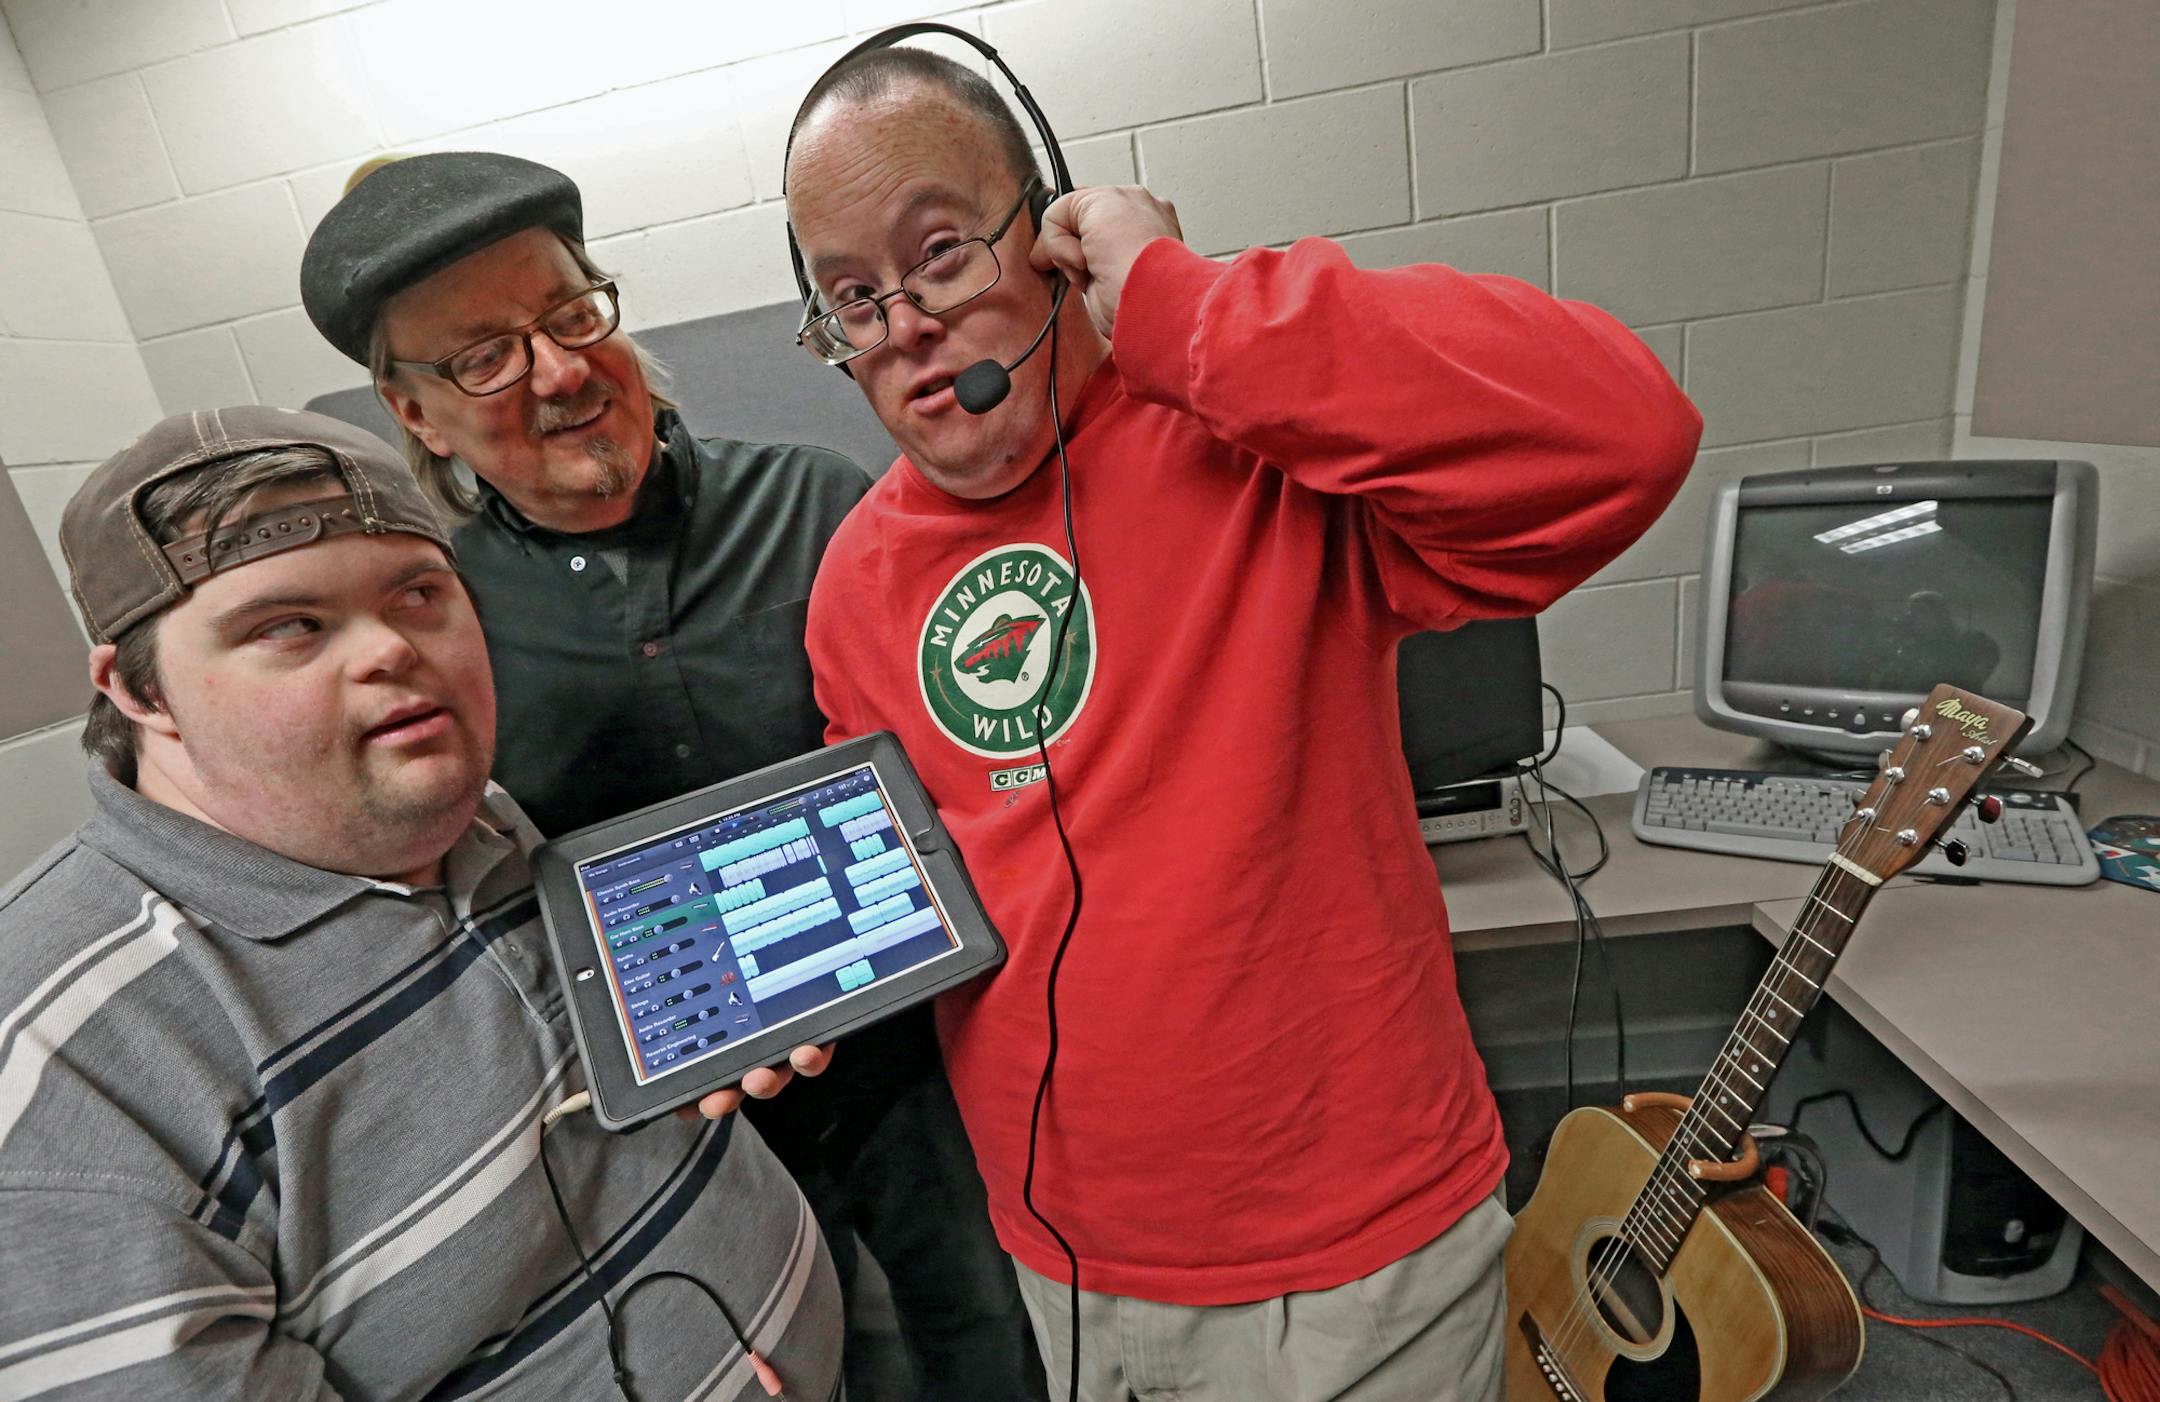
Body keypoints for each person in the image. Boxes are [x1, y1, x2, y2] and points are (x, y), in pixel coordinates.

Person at [782, 46, 1703, 1401]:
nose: (906, 319)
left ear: (1048, 240)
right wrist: (800, 987)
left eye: (941, 253)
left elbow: (1627, 435)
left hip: (1360, 1256)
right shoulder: (856, 582)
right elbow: (919, 887)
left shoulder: (1253, 441)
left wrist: (1181, 302)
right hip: (1070, 1256)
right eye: (853, 295)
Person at [298, 152, 1038, 1399]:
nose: (557, 371)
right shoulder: (444, 624)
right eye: (482, 355)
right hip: (672, 1143)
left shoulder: (825, 508)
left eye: (572, 314)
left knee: (995, 1349)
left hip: (925, 1074)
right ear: (412, 413)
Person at [0, 407, 839, 1399]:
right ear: (139, 692)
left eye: (421, 593)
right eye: (289, 625)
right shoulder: (65, 1063)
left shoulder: (475, 822)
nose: (393, 650)